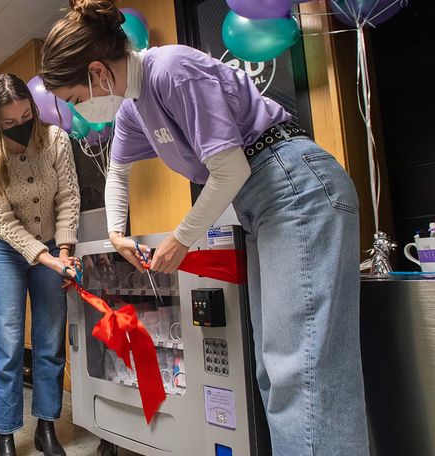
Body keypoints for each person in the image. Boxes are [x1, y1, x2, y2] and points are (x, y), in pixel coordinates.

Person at [40, 1, 368, 454]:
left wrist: (181, 239)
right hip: (260, 203)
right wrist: (117, 232)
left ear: (97, 72)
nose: (83, 110)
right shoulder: (135, 107)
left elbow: (231, 169)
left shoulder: (170, 69)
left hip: (292, 185)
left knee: (303, 370)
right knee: (273, 371)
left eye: (76, 99)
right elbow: (117, 172)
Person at [0, 73, 80, 456]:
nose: (22, 126)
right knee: (8, 340)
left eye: (26, 116)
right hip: (6, 251)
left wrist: (63, 250)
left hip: (53, 245)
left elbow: (67, 197)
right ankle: (5, 431)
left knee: (50, 339)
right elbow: (4, 222)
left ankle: (45, 425)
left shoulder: (55, 139)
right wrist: (46, 258)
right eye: (10, 123)